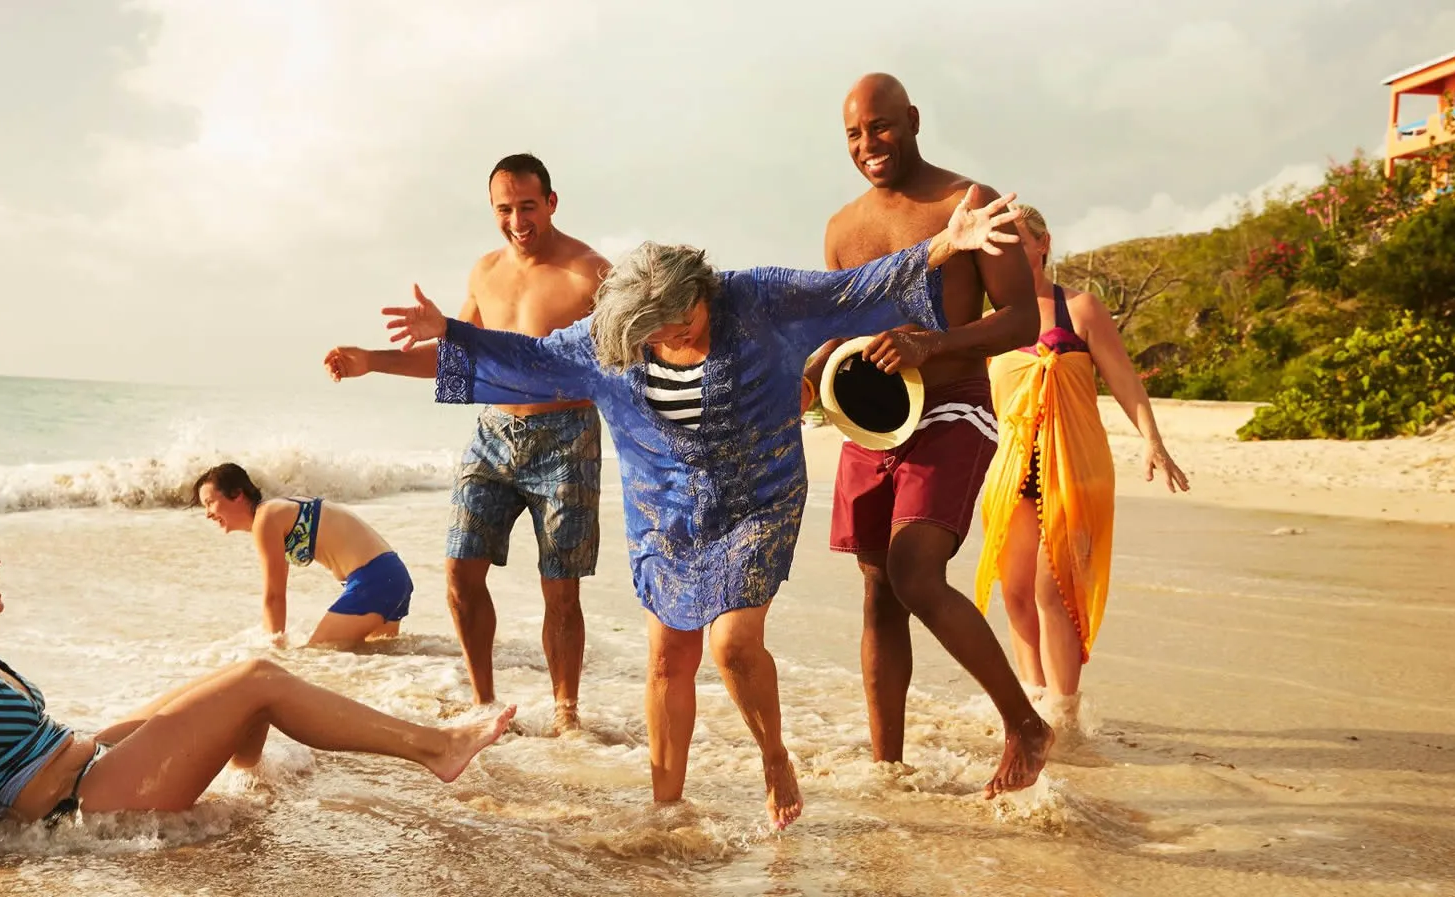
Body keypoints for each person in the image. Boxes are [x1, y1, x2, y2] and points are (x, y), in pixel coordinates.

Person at [374, 187, 1023, 829]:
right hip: (668, 506)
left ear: (702, 288)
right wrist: (449, 332)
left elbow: (850, 289)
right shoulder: (611, 337)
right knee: (667, 658)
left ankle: (773, 756)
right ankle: (665, 812)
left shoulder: (758, 298)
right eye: (660, 329)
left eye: (687, 317)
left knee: (734, 643)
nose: (679, 332)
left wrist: (946, 243)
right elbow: (531, 357)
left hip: (758, 493)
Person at [0, 532, 515, 856]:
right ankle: (436, 747)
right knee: (257, 679)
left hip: (85, 763)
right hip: (76, 803)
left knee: (234, 678)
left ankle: (253, 768)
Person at [799, 73, 1052, 793]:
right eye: (853, 133)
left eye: (879, 127)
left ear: (911, 120)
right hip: (870, 423)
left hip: (954, 405)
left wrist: (930, 345)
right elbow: (839, 329)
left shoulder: (967, 202)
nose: (867, 144)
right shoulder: (841, 229)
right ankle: (887, 766)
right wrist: (808, 372)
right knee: (879, 587)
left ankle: (1026, 725)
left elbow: (1021, 320)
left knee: (916, 572)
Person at [324, 153, 608, 734]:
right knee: (459, 570)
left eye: (528, 206)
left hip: (566, 437)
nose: (517, 220)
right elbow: (455, 362)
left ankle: (566, 714)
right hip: (493, 433)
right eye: (504, 209)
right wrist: (371, 362)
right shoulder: (484, 272)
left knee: (560, 587)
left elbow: (619, 361)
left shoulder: (590, 273)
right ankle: (485, 704)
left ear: (552, 202)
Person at [971, 203, 1190, 731]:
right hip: (1009, 471)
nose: (1004, 252)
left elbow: (1124, 381)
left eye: (1016, 240)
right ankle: (1032, 708)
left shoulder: (1080, 309)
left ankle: (1064, 720)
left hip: (1075, 467)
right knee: (1017, 591)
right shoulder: (985, 323)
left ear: (1043, 245)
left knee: (1055, 590)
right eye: (994, 244)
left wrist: (1153, 441)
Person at [192, 462, 411, 647]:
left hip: (373, 581)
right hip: (392, 575)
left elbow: (274, 596)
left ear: (237, 494)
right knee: (378, 660)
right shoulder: (278, 510)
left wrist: (274, 650)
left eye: (210, 503)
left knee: (319, 655)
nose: (207, 514)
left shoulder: (266, 519)